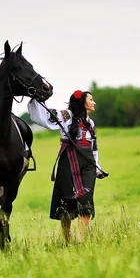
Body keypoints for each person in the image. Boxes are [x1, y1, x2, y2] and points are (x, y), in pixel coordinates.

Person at [28, 90, 107, 243]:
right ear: (82, 102)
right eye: (91, 99)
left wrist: (97, 167)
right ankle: (67, 241)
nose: (94, 102)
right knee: (67, 202)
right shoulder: (65, 116)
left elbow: (94, 146)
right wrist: (35, 99)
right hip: (68, 160)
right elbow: (43, 117)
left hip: (88, 163)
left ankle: (79, 241)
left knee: (86, 201)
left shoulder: (90, 123)